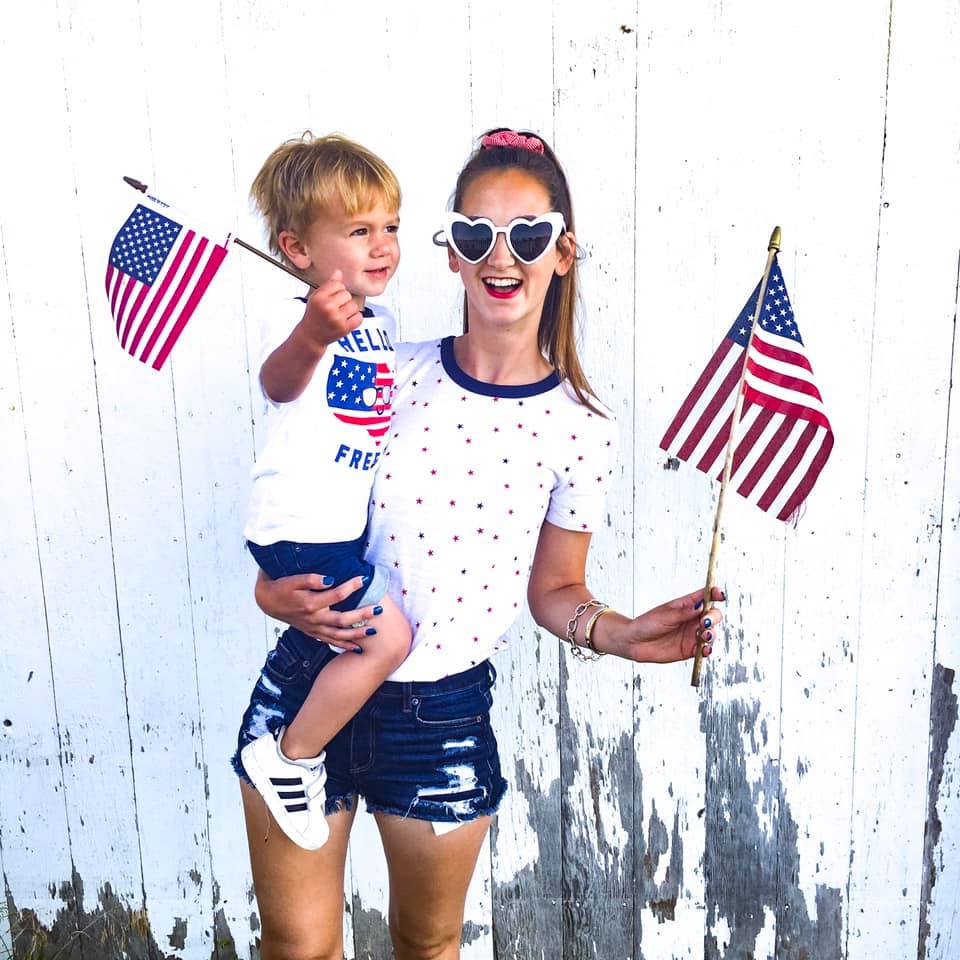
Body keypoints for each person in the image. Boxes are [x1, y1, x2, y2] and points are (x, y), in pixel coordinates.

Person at [238, 128, 723, 960]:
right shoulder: (384, 365)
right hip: (310, 685)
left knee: (426, 946)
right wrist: (266, 590)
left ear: (563, 251)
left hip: (441, 720)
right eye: (476, 234)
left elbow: (555, 591)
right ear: (454, 254)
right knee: (298, 948)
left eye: (529, 235)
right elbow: (303, 489)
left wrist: (621, 633)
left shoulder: (582, 428)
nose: (503, 256)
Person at [236, 133, 412, 851]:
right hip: (297, 523)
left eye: (391, 227)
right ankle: (288, 755)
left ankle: (301, 745)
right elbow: (278, 384)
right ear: (298, 249)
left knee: (350, 641)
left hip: (338, 527)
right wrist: (313, 333)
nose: (383, 245)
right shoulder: (296, 312)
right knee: (387, 639)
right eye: (360, 230)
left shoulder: (384, 324)